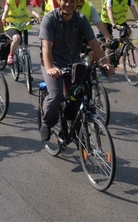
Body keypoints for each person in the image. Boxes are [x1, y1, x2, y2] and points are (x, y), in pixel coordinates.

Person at [38, 0, 114, 141]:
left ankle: (74, 124)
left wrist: (106, 64)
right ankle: (46, 123)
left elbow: (94, 44)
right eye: (65, 0)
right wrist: (50, 68)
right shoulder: (50, 19)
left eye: (72, 1)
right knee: (56, 95)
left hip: (73, 63)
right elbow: (46, 46)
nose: (68, 4)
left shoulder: (81, 20)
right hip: (52, 63)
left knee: (80, 95)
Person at [1, 0, 41, 65]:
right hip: (11, 26)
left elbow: (32, 10)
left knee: (25, 46)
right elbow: (5, 11)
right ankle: (10, 56)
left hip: (23, 26)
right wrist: (3, 20)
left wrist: (38, 17)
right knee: (16, 38)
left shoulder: (24, 1)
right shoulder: (9, 1)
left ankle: (24, 61)